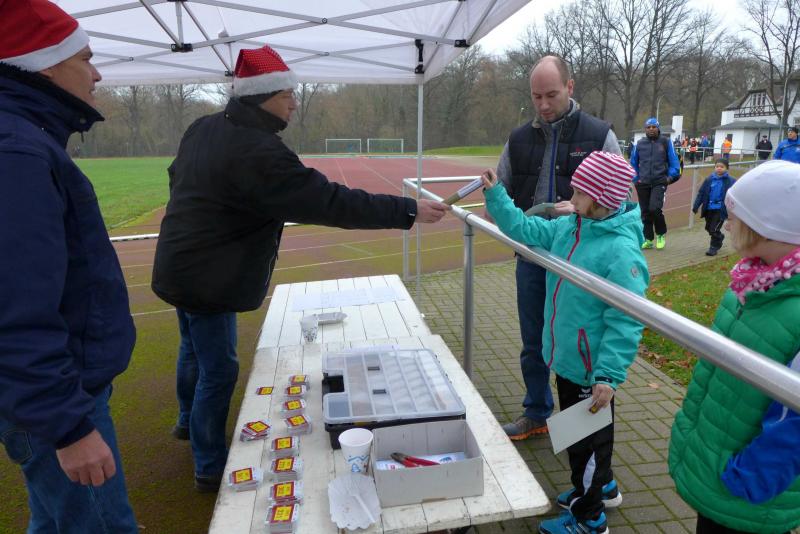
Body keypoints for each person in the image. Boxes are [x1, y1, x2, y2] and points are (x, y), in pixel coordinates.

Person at [151, 44, 449, 492]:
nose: (294, 102)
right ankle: (208, 464)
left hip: (178, 265)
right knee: (219, 368)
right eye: (287, 94)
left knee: (193, 349)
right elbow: (330, 201)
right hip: (208, 278)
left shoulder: (203, 127)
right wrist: (407, 210)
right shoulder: (260, 153)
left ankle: (186, 421)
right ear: (262, 97)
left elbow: (178, 178)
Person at [0, 1, 139, 532]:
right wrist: (67, 427)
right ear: (44, 67)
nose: (97, 74)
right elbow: (14, 305)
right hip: (57, 400)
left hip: (54, 395)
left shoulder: (25, 139)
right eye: (85, 58)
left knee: (59, 521)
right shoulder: (16, 151)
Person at [482, 151, 649, 534]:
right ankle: (600, 488)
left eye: (578, 192)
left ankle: (591, 518)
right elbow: (525, 229)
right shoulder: (571, 227)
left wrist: (608, 375)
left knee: (587, 445)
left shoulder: (620, 251)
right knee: (577, 436)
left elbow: (626, 319)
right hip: (569, 359)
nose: (570, 198)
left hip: (593, 372)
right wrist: (497, 196)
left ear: (600, 200)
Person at [490, 55, 622, 441]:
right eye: (536, 97)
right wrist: (497, 205)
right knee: (533, 341)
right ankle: (537, 412)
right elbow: (501, 192)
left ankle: (583, 433)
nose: (544, 105)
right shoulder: (517, 139)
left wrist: (581, 213)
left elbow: (620, 202)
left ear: (570, 87)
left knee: (578, 343)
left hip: (579, 263)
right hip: (532, 258)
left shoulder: (599, 135)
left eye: (551, 95)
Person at [669, 160, 800, 534]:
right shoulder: (750, 284)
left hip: (749, 491)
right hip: (716, 458)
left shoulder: (788, 305)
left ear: (767, 227)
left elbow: (794, 423)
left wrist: (750, 478)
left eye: (735, 217)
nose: (727, 225)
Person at [630, 118, 681, 250]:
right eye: (648, 127)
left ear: (658, 128)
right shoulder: (639, 144)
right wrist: (636, 179)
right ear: (645, 129)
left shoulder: (665, 142)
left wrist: (669, 178)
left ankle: (660, 234)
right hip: (643, 183)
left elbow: (674, 162)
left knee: (655, 208)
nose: (651, 129)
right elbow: (633, 163)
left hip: (659, 181)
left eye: (654, 127)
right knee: (645, 212)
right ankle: (648, 239)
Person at [692, 158, 735, 256]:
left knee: (713, 229)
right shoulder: (709, 180)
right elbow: (701, 193)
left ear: (727, 168)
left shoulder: (730, 181)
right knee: (708, 228)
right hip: (709, 208)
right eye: (717, 166)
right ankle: (719, 236)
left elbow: (736, 194)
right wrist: (696, 205)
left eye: (722, 167)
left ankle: (713, 247)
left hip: (720, 209)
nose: (719, 168)